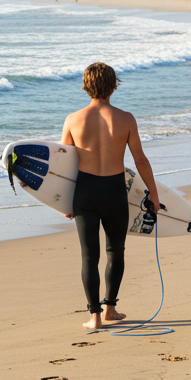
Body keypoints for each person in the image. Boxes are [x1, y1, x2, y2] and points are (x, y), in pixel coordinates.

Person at [61, 62, 161, 330]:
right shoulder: (126, 119)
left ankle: (93, 316)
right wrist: (153, 193)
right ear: (114, 85)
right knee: (116, 251)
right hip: (114, 192)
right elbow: (140, 160)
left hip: (84, 193)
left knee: (88, 256)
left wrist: (63, 202)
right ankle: (110, 309)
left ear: (85, 85)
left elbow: (64, 168)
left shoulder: (73, 119)